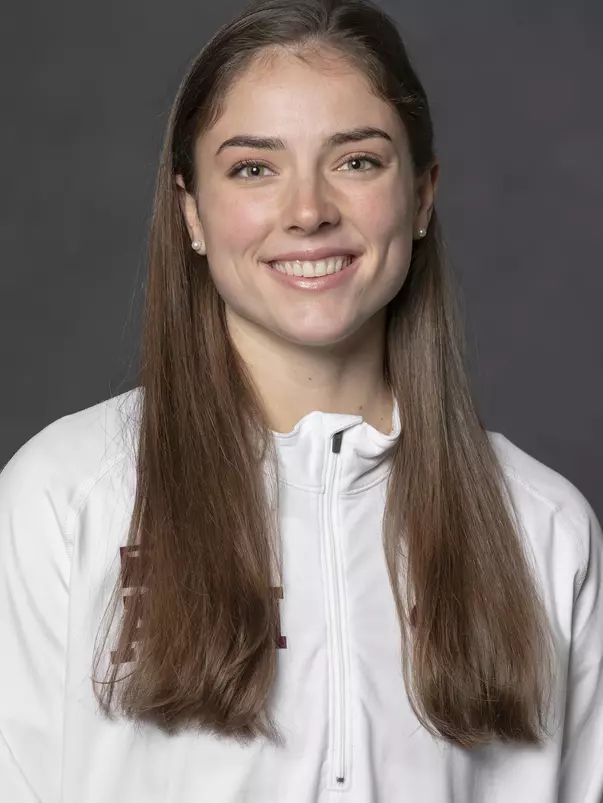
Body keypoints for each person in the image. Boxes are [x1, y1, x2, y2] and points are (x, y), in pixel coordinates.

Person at [1, 0, 602, 800]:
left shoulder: (544, 529)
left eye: (356, 161)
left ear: (421, 196)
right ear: (192, 213)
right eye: (254, 167)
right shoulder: (62, 496)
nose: (309, 210)